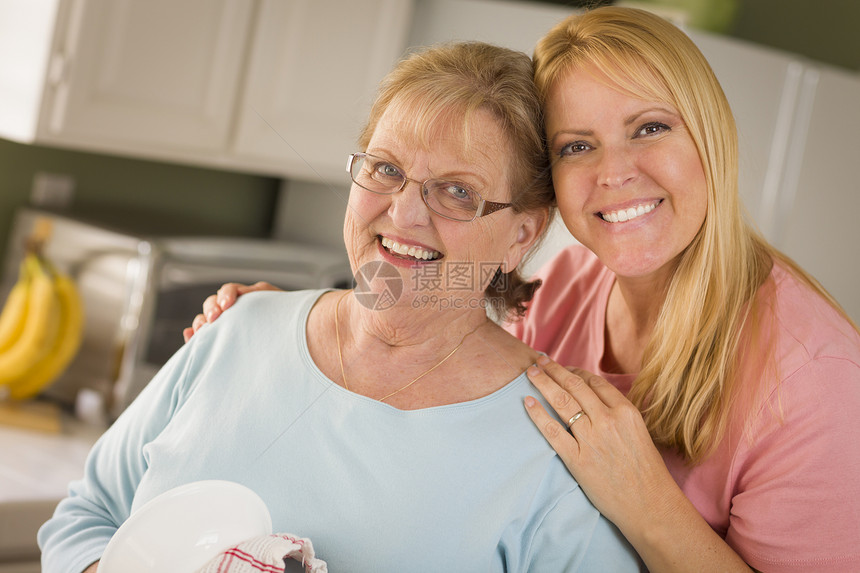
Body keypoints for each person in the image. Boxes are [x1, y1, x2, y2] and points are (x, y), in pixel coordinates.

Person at [186, 7, 860, 573]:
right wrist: (298, 330)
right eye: (576, 146)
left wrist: (649, 502)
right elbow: (454, 357)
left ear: (713, 136)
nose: (614, 173)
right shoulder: (569, 284)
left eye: (650, 127)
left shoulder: (817, 384)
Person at [38, 41, 643, 573]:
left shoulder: (555, 439)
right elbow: (87, 516)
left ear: (521, 235)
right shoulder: (237, 330)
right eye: (386, 169)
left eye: (459, 192)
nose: (404, 214)